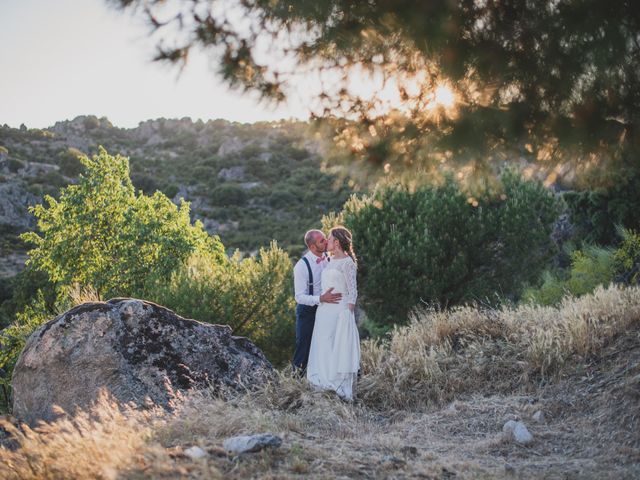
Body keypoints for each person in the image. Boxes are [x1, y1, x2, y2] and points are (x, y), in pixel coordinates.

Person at [306, 226, 360, 400]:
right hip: (324, 311)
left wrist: (348, 313)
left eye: (328, 239)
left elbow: (353, 291)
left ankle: (338, 387)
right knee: (323, 343)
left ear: (336, 242)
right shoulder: (328, 260)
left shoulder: (347, 263)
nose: (326, 242)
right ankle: (322, 383)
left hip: (339, 310)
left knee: (337, 345)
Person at [292, 229, 342, 374]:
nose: (327, 241)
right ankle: (296, 381)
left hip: (327, 308)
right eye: (322, 241)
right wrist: (320, 299)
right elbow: (299, 297)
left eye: (325, 238)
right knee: (304, 345)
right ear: (312, 247)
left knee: (328, 342)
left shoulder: (330, 257)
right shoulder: (301, 266)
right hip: (308, 310)